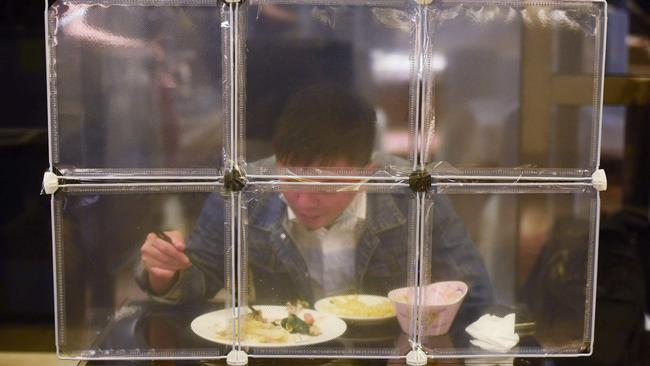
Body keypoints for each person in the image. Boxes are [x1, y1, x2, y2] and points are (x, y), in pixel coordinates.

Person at [136, 85, 494, 316]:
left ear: (366, 172)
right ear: (277, 162)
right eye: (290, 178)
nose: (305, 200)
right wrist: (164, 274)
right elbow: (200, 280)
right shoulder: (243, 191)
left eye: (326, 185)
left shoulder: (412, 194)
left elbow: (473, 295)